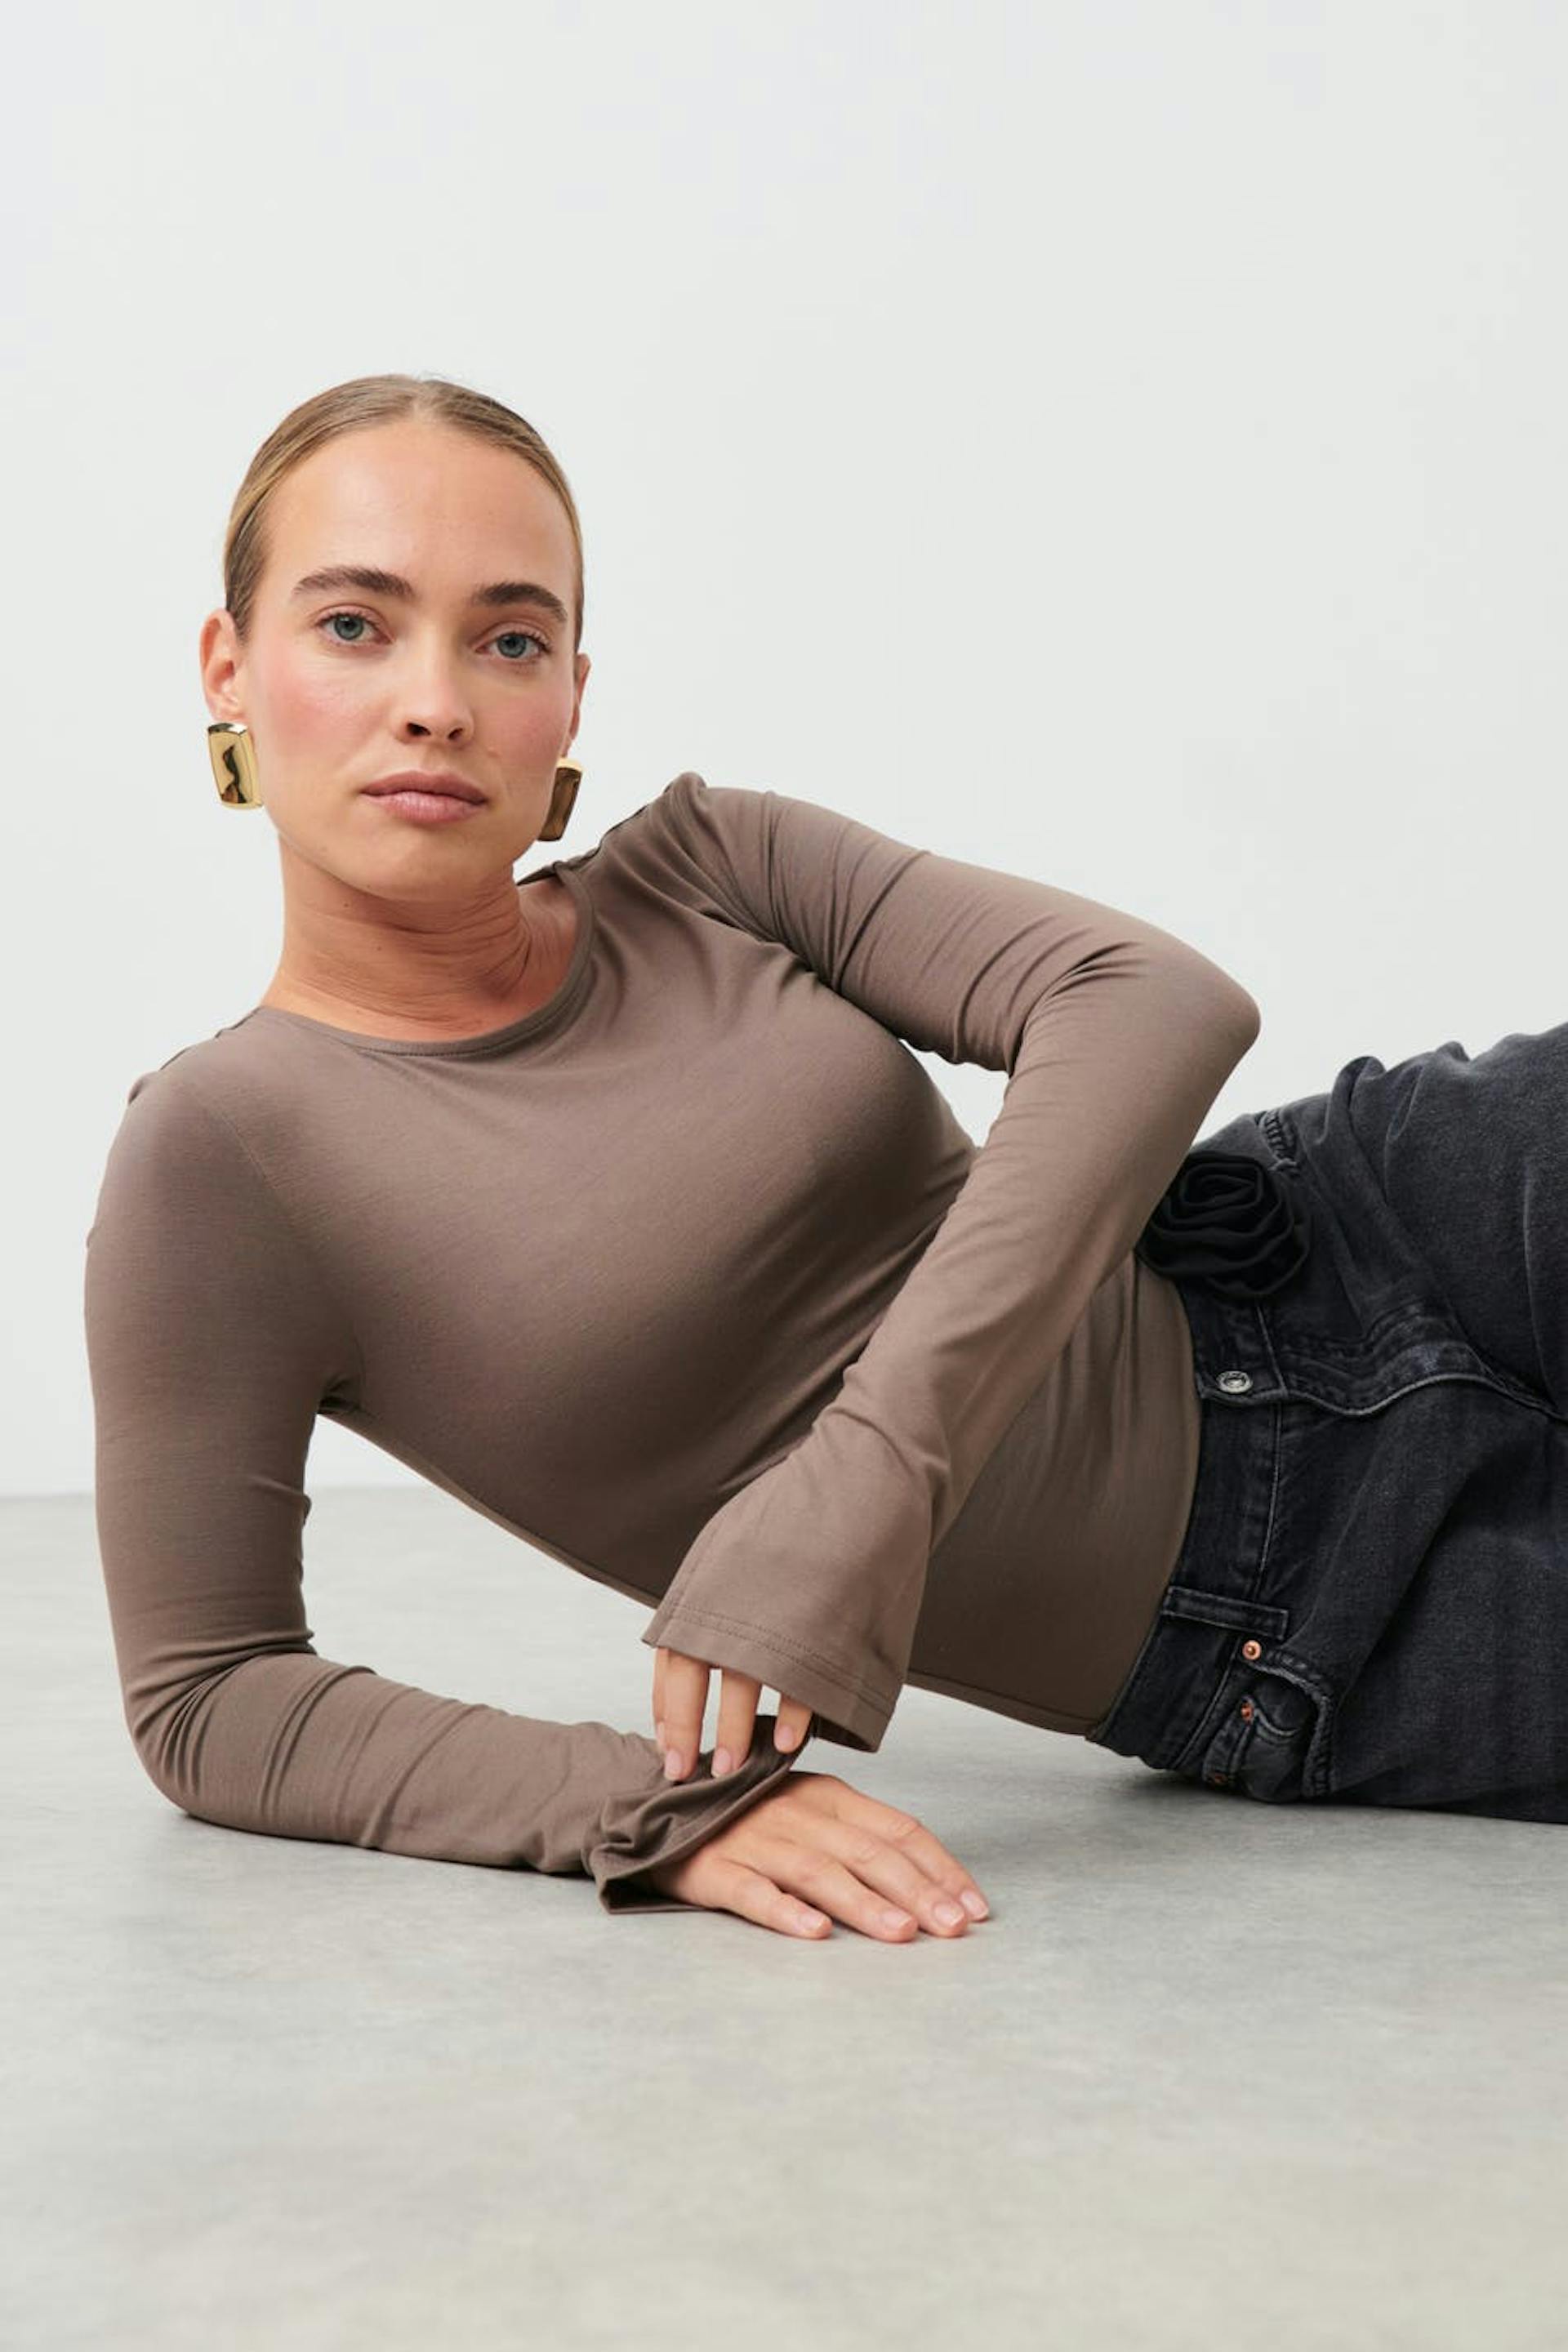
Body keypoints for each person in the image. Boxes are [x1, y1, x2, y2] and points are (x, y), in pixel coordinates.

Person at [83, 377, 1568, 1953]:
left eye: (510, 640)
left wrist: (868, 1477)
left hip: (1359, 1226)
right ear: (228, 666)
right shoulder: (223, 1155)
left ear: (571, 696)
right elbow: (212, 1695)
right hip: (1291, 1620)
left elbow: (1150, 1000)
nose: (437, 701)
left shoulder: (706, 864)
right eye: (354, 625)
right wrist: (652, 1807)